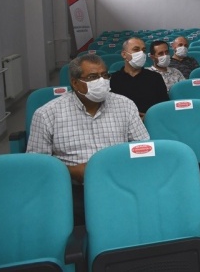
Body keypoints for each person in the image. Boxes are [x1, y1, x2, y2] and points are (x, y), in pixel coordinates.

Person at [27, 54, 149, 225]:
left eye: (105, 75)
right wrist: (70, 171)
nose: (101, 81)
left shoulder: (125, 105)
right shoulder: (47, 114)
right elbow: (36, 166)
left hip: (120, 183)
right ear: (75, 82)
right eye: (92, 77)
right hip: (72, 190)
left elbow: (143, 147)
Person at [110, 37, 169, 118]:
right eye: (136, 49)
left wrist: (148, 117)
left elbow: (163, 106)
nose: (141, 53)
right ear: (124, 54)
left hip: (150, 121)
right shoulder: (113, 79)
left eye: (143, 50)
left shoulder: (155, 78)